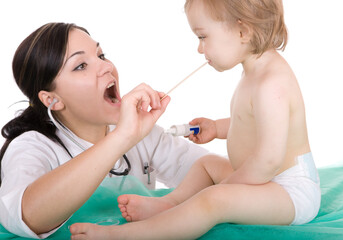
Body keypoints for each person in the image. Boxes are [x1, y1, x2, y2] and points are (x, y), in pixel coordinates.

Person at [70, 0, 321, 239]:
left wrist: (226, 187)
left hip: (290, 192)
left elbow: (268, 160)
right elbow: (255, 124)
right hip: (264, 179)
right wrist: (217, 127)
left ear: (242, 31)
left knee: (213, 200)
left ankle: (121, 236)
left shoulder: (271, 84)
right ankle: (169, 205)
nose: (200, 48)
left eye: (203, 37)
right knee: (207, 163)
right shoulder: (255, 71)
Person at [0, 22, 213, 239]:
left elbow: (212, 174)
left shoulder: (144, 134)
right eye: (81, 65)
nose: (107, 67)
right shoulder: (31, 146)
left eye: (101, 56)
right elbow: (26, 216)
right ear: (52, 99)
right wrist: (122, 137)